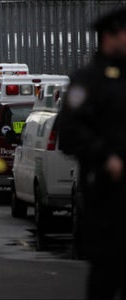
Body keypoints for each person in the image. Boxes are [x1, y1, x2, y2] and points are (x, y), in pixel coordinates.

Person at [57, 7, 126, 300]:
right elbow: (69, 132)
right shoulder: (89, 80)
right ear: (110, 35)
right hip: (106, 194)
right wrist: (104, 157)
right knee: (107, 274)